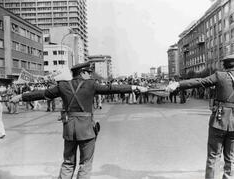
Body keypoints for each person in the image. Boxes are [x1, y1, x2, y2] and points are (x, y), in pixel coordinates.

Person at [10, 61, 147, 179]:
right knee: (85, 164)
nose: (90, 75)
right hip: (87, 130)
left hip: (69, 130)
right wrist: (135, 87)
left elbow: (42, 94)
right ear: (82, 73)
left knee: (68, 163)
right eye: (88, 72)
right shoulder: (91, 85)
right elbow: (111, 89)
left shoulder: (63, 86)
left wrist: (21, 97)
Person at [166, 54, 234, 179]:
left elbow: (200, 82)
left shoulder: (220, 76)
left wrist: (178, 84)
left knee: (213, 156)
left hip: (219, 121)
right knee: (231, 159)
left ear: (224, 66)